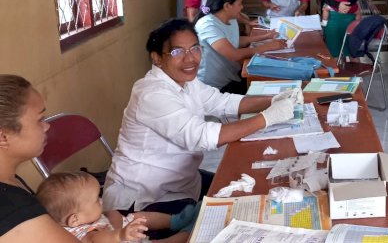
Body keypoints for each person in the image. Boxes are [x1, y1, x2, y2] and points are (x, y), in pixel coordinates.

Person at [103, 19, 295, 230]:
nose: (190, 58)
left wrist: (275, 99)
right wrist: (267, 118)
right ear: (157, 58)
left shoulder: (187, 82)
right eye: (177, 52)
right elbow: (202, 137)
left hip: (182, 180)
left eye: (195, 48)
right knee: (227, 217)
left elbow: (222, 102)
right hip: (146, 198)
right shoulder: (151, 93)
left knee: (244, 189)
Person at [0, 74, 79, 242]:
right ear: (3, 137)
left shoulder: (9, 181)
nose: (47, 126)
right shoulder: (14, 212)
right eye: (39, 120)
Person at [37, 171, 195, 242]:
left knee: (138, 216)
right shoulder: (84, 234)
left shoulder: (86, 217)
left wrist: (114, 218)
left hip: (123, 229)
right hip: (124, 238)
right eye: (95, 199)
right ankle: (188, 233)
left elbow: (111, 215)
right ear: (75, 219)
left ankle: (176, 221)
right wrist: (120, 235)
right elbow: (96, 240)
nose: (100, 200)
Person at [195, 0, 285, 93]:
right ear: (227, 6)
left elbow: (234, 40)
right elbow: (234, 54)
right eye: (239, 4)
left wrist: (265, 37)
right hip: (213, 87)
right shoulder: (208, 25)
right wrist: (267, 47)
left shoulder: (230, 19)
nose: (242, 7)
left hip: (230, 77)